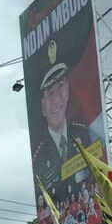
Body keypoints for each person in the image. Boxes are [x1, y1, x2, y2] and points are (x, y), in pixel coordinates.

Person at [30, 61, 94, 192]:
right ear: (43, 107)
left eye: (60, 88)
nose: (57, 100)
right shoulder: (39, 158)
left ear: (67, 91)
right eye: (50, 93)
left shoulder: (84, 134)